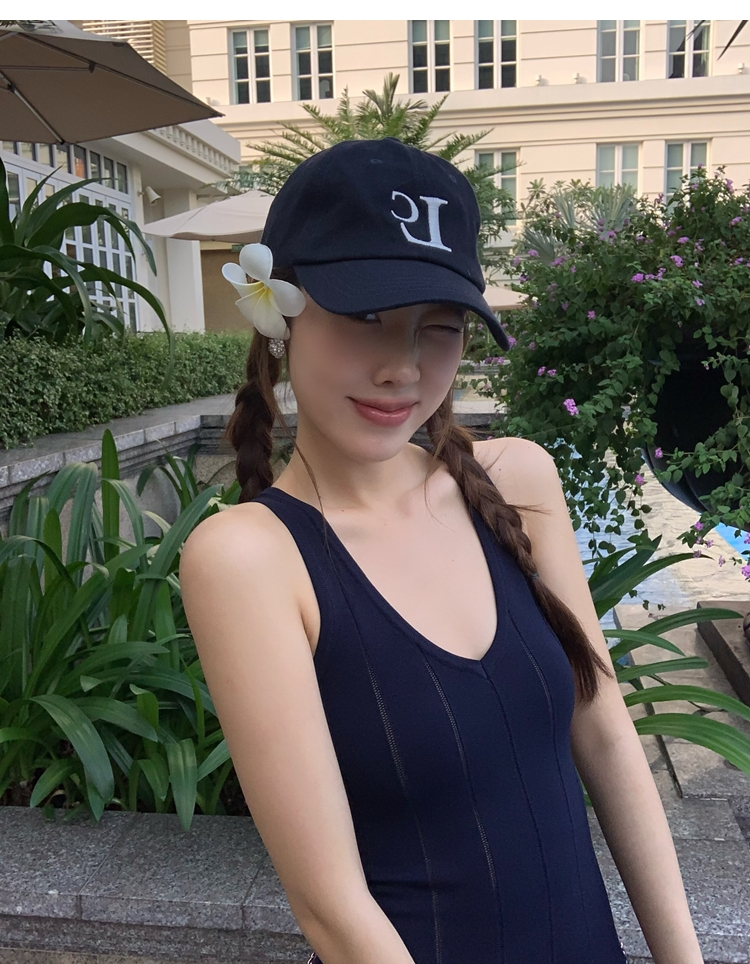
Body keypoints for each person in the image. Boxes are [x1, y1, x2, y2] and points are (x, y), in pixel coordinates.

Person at [179, 138, 705, 964]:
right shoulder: (250, 558)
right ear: (281, 317)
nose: (403, 367)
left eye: (440, 327)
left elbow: (605, 739)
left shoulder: (517, 482)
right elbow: (331, 909)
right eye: (365, 317)